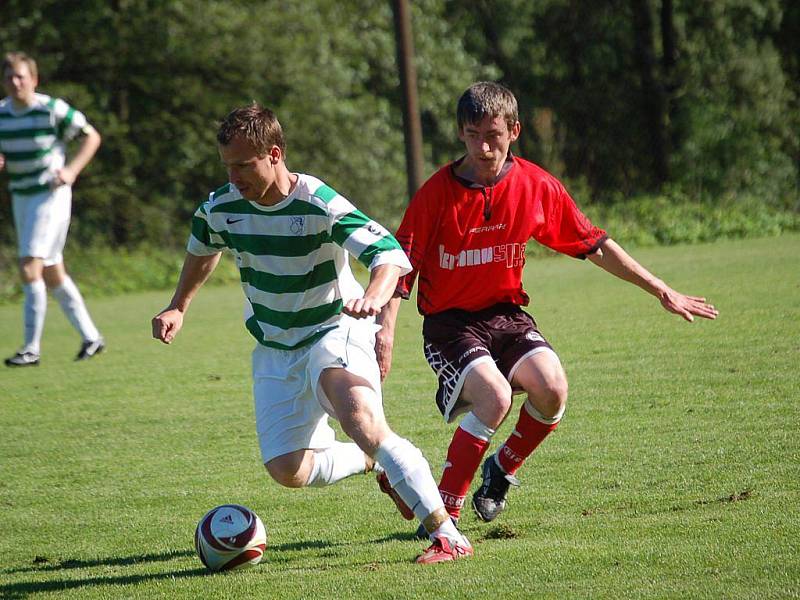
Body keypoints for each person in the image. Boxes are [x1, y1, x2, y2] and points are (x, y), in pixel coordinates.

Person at [376, 81, 719, 534]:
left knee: (553, 388)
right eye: (473, 135)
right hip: (449, 324)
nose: (483, 147)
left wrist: (660, 288)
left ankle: (499, 471)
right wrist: (386, 330)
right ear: (461, 133)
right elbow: (400, 265)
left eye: (493, 135)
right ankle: (446, 515)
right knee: (495, 397)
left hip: (505, 314)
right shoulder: (437, 193)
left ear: (514, 131)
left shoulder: (536, 186)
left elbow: (593, 244)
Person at [151, 103, 472, 564]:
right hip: (275, 347)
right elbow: (203, 249)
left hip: (333, 327)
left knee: (358, 415)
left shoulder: (317, 200)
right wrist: (178, 306)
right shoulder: (220, 207)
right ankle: (372, 461)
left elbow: (389, 254)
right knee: (289, 469)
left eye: (244, 165)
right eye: (228, 166)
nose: (234, 176)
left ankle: (447, 535)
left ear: (274, 154)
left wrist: (375, 298)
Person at [1, 52, 105, 367]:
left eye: (21, 76)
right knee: (50, 270)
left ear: (34, 79)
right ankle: (92, 337)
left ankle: (31, 348)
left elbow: (91, 136)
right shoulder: (2, 114)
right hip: (22, 196)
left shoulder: (51, 109)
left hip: (51, 195)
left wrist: (71, 170)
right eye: (9, 77)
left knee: (29, 265)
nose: (15, 82)